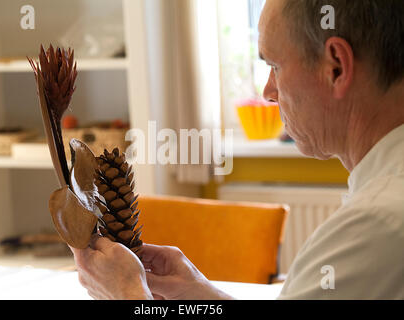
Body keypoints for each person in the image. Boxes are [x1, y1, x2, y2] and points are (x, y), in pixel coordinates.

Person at [70, 0, 404, 299]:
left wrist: (128, 294)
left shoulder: (374, 227)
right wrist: (201, 295)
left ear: (336, 67)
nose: (268, 91)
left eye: (275, 66)